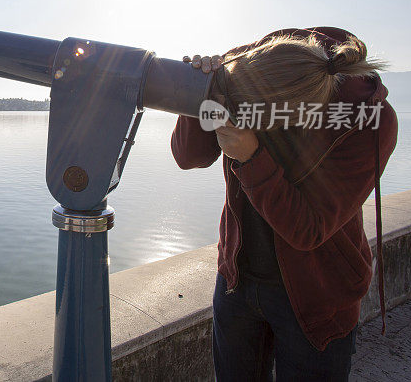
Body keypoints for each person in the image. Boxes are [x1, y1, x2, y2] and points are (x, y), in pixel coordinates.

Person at [170, 27, 398, 381]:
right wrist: (200, 94)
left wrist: (251, 156)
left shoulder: (370, 121)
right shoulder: (244, 70)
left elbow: (308, 229)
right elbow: (190, 156)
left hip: (318, 293)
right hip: (237, 281)